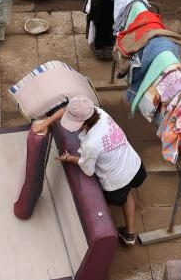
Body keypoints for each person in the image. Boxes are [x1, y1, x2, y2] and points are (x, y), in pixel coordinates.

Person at [32, 95, 147, 245]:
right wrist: (47, 122)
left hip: (115, 181)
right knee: (128, 193)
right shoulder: (99, 113)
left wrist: (68, 158)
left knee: (103, 207)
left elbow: (87, 169)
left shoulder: (91, 143)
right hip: (132, 163)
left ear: (84, 122)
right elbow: (65, 111)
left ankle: (104, 238)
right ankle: (129, 234)